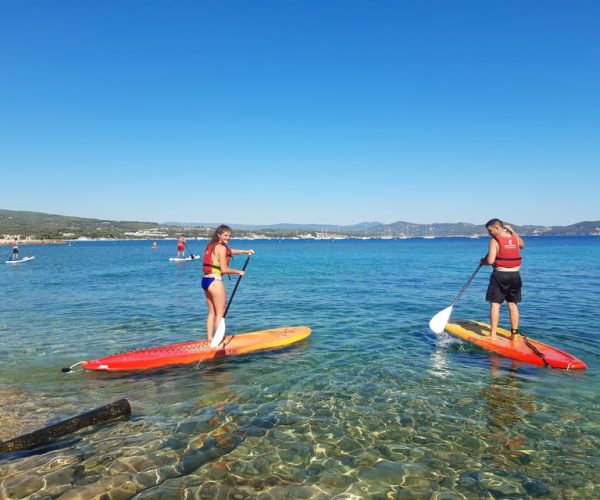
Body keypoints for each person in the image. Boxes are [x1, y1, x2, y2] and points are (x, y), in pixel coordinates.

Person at [201, 225, 254, 342]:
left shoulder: (211, 246)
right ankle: (218, 341)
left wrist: (246, 251)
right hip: (215, 282)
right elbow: (224, 269)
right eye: (225, 235)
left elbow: (230, 251)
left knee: (211, 312)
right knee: (220, 313)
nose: (228, 237)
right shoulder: (221, 248)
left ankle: (210, 339)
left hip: (205, 281)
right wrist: (239, 272)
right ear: (219, 235)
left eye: (230, 235)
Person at [480, 219, 525, 339]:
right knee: (513, 305)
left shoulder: (494, 241)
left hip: (500, 276)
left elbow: (490, 261)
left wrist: (482, 262)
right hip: (515, 276)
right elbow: (522, 245)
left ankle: (493, 334)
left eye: (490, 230)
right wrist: (513, 231)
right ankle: (514, 335)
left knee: (495, 304)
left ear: (497, 228)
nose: (489, 233)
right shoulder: (514, 237)